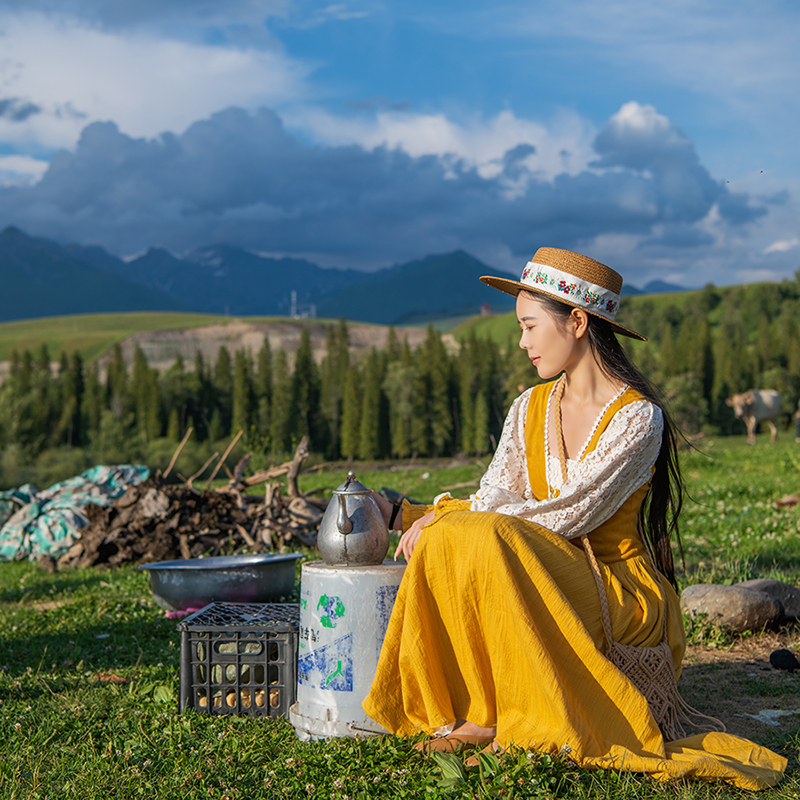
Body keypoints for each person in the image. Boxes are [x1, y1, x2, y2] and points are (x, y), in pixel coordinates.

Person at [365, 247, 785, 790]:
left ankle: (505, 719)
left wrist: (447, 517)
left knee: (479, 535)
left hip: (614, 584)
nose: (522, 342)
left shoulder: (639, 418)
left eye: (530, 325)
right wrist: (444, 519)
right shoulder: (528, 407)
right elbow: (494, 494)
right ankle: (477, 707)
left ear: (578, 323)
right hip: (541, 561)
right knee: (458, 537)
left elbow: (566, 515)